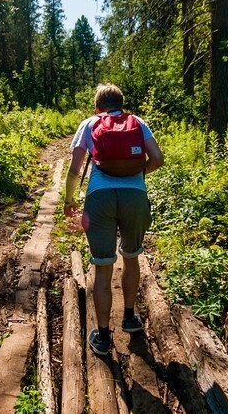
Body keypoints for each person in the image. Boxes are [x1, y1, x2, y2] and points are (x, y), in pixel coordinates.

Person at [64, 83, 164, 356]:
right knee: (131, 256)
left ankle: (104, 336)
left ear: (97, 106)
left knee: (103, 266)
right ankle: (130, 317)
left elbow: (75, 168)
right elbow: (158, 158)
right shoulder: (138, 122)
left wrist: (69, 199)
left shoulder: (89, 123)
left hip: (99, 199)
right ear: (121, 102)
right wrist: (138, 173)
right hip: (135, 197)